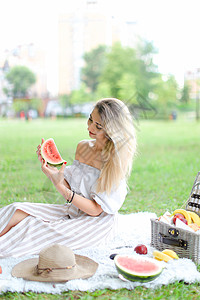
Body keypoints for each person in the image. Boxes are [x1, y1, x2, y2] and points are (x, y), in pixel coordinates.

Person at [0, 98, 137, 258]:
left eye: (98, 126)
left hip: (96, 224)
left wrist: (64, 191)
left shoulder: (114, 161)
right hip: (74, 210)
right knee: (16, 209)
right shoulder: (83, 146)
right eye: (90, 119)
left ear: (112, 131)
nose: (90, 127)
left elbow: (95, 210)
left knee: (33, 227)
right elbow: (72, 187)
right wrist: (51, 173)